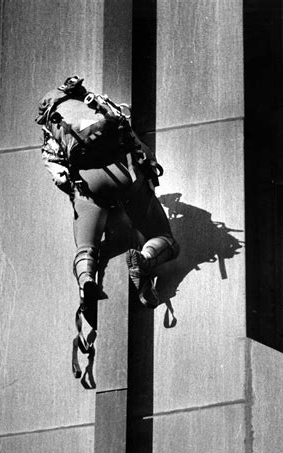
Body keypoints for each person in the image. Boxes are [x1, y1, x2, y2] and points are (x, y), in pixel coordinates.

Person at [36, 76, 179, 312]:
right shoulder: (97, 104)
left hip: (91, 184)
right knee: (165, 237)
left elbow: (60, 176)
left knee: (86, 247)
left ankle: (86, 281)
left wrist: (80, 192)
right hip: (126, 174)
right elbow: (132, 138)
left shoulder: (55, 127)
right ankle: (145, 260)